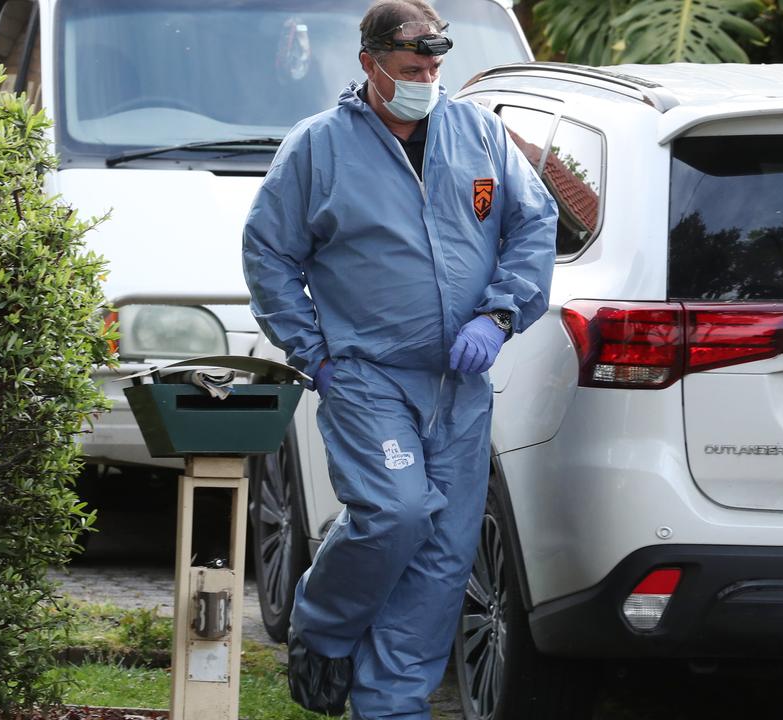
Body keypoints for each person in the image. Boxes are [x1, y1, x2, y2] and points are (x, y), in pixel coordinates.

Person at [241, 1, 558, 718]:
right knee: (395, 512)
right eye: (411, 67)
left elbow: (533, 221)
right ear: (370, 64)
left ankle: (391, 706)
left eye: (435, 66)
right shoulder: (318, 148)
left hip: (460, 381)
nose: (425, 79)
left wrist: (500, 313)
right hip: (368, 376)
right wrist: (313, 354)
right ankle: (321, 630)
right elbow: (268, 251)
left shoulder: (478, 134)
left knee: (444, 555)